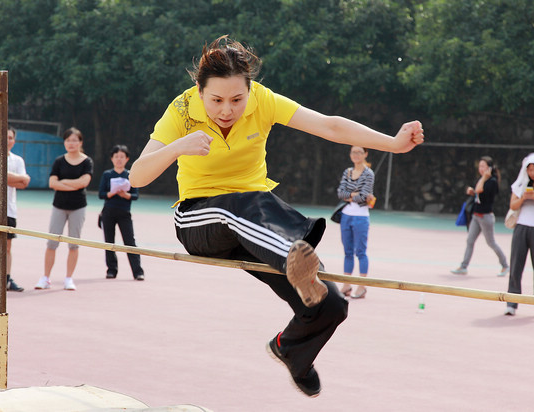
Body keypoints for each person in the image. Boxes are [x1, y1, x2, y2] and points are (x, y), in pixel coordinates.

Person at [129, 35, 424, 397]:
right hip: (200, 219)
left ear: (250, 91)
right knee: (239, 204)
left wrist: (393, 144)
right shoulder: (180, 110)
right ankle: (293, 254)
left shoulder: (263, 101)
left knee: (329, 304)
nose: (227, 110)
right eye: (216, 100)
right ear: (199, 91)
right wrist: (179, 147)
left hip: (255, 224)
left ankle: (291, 350)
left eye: (237, 100)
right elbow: (137, 176)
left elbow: (328, 125)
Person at [35, 127, 93, 291]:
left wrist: (63, 183)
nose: (71, 143)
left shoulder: (87, 161)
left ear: (80, 142)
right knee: (51, 243)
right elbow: (52, 183)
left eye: (74, 140)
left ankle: (68, 278)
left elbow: (84, 182)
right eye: (68, 140)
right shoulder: (59, 161)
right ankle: (45, 278)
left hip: (78, 207)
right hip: (59, 206)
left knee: (73, 244)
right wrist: (72, 184)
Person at [504, 153, 534, 317]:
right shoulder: (521, 184)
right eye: (529, 169)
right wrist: (524, 197)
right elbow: (513, 204)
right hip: (521, 227)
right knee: (516, 266)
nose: (532, 173)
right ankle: (511, 303)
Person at [451, 156, 509, 276]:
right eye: (480, 166)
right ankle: (463, 266)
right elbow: (478, 194)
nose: (481, 168)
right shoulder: (483, 179)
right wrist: (473, 192)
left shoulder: (491, 181)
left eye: (483, 166)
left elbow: (481, 191)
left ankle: (505, 265)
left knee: (491, 242)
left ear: (490, 168)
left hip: (485, 217)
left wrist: (482, 180)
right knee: (470, 240)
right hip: (476, 216)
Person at [98, 145, 144, 280]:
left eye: (122, 157)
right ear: (112, 159)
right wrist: (111, 193)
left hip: (124, 213)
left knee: (130, 242)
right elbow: (101, 194)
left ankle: (138, 272)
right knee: (109, 242)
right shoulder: (107, 175)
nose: (119, 159)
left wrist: (126, 195)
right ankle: (111, 270)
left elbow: (135, 195)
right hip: (108, 213)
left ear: (127, 159)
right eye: (116, 157)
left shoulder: (130, 175)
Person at [337, 146, 375, 299]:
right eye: (353, 152)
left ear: (365, 154)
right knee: (347, 252)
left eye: (359, 152)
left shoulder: (368, 173)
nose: (356, 155)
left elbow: (365, 195)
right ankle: (346, 284)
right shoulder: (347, 172)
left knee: (360, 252)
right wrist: (355, 195)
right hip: (346, 215)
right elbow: (340, 193)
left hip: (361, 217)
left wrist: (350, 195)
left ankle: (362, 285)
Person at [6, 126, 31, 292]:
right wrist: (18, 178)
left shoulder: (18, 160)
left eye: (9, 137)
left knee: (7, 247)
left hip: (9, 210)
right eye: (3, 136)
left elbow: (25, 183)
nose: (6, 140)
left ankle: (6, 280)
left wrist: (8, 178)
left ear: (13, 141)